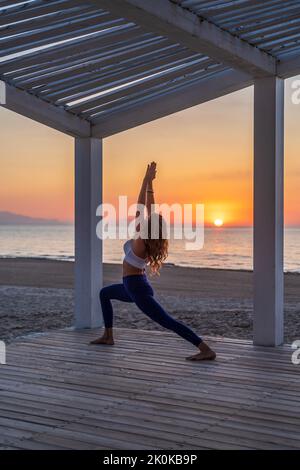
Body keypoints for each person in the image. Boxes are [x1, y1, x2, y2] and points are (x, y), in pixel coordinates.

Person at [90, 162, 216, 361]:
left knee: (167, 321)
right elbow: (149, 208)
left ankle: (205, 348)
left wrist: (145, 179)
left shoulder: (141, 241)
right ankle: (108, 336)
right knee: (104, 294)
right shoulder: (148, 239)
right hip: (132, 285)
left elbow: (141, 208)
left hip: (137, 288)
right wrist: (149, 182)